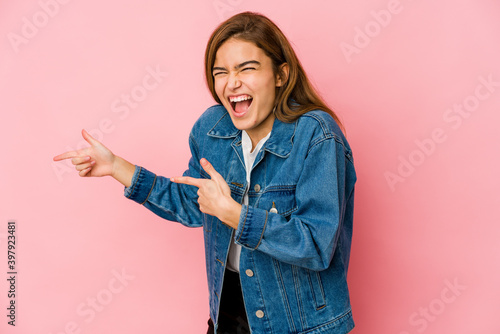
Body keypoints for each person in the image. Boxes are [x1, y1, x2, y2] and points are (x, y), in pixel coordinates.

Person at [53, 12, 357, 334]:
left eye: (247, 68)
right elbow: (191, 204)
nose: (232, 82)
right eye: (221, 72)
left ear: (281, 75)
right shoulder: (212, 129)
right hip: (228, 314)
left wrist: (237, 215)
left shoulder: (318, 136)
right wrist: (116, 166)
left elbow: (316, 245)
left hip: (299, 323)